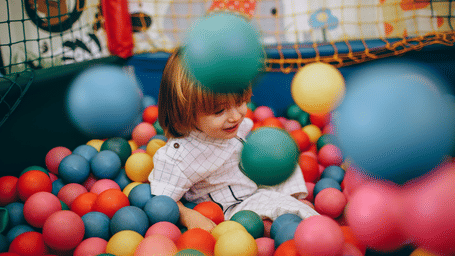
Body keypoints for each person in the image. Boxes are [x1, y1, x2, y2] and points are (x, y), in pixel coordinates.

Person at [148, 48, 319, 232]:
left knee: (283, 156)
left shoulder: (229, 125)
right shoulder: (178, 157)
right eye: (219, 111)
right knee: (283, 206)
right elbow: (162, 200)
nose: (236, 116)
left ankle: (293, 200)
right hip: (237, 206)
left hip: (252, 178)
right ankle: (314, 225)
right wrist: (189, 216)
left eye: (239, 102)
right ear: (185, 111)